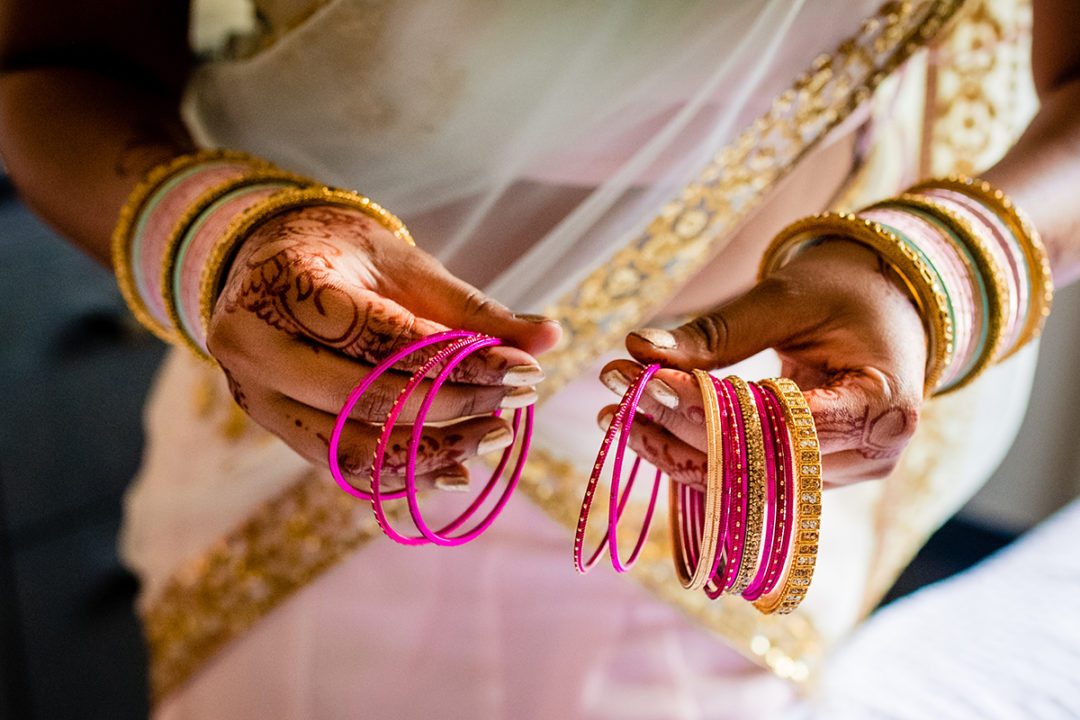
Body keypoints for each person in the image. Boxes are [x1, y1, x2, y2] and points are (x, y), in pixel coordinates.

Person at [1, 0, 1078, 717]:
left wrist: (933, 272)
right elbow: (57, 60)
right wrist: (213, 239)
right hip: (293, 426)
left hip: (715, 483)